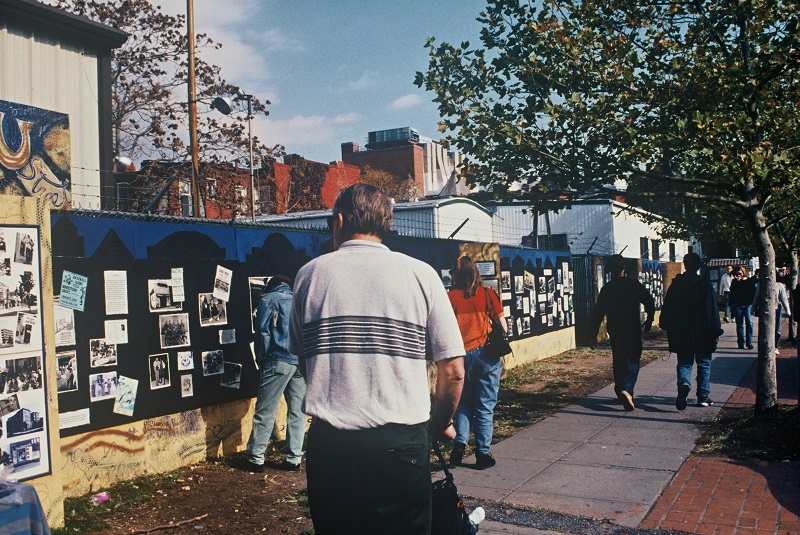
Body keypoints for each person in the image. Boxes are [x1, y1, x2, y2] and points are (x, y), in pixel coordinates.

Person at [289, 184, 465, 534]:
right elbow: (454, 370)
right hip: (400, 443)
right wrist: (440, 421)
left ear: (338, 221)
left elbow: (306, 361)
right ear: (387, 224)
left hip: (331, 444)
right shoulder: (421, 275)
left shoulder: (309, 275)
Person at [237, 274, 307, 473]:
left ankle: (255, 458)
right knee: (297, 412)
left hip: (277, 360)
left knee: (265, 411)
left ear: (272, 286)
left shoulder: (268, 300)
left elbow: (262, 332)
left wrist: (262, 357)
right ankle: (293, 459)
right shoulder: (299, 299)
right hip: (299, 361)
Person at [446, 255, 508, 470]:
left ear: (458, 273)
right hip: (485, 355)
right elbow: (504, 326)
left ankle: (460, 445)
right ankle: (482, 453)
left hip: (460, 357)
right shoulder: (487, 294)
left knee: (463, 403)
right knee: (484, 405)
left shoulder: (450, 297)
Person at [589, 254, 655, 411]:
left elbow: (598, 313)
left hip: (616, 329)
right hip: (632, 328)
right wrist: (649, 321)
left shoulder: (607, 289)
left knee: (618, 358)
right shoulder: (633, 285)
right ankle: (627, 389)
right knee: (632, 359)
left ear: (610, 270)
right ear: (624, 268)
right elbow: (649, 301)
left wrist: (592, 335)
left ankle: (621, 390)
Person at [660, 253, 724, 409]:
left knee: (684, 362)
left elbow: (668, 308)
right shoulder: (704, 285)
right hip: (703, 332)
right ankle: (703, 396)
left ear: (685, 265)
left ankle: (684, 383)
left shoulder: (676, 285)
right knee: (704, 363)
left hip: (683, 332)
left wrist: (666, 325)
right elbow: (712, 311)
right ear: (698, 266)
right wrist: (716, 331)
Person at [729, 266, 756, 350]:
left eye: (740, 273)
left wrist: (752, 304)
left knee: (749, 323)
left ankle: (749, 342)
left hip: (747, 304)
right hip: (738, 305)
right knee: (740, 324)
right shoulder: (734, 282)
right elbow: (732, 292)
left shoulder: (749, 281)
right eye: (736, 274)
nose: (738, 275)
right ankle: (741, 343)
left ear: (743, 273)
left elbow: (753, 291)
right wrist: (737, 282)